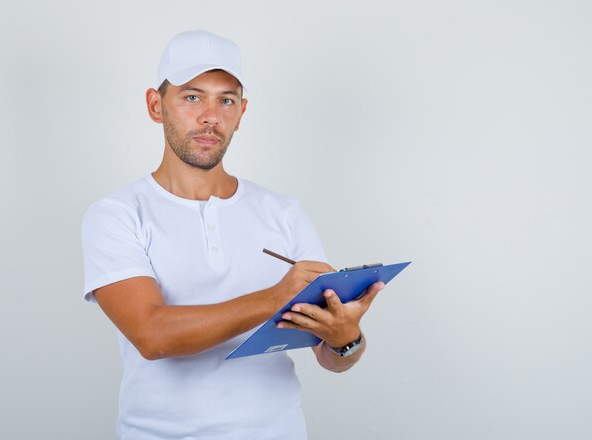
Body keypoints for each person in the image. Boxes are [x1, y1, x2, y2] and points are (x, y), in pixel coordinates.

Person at [81, 29, 385, 440]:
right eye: (192, 96)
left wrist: (345, 338)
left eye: (226, 100)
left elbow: (333, 358)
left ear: (242, 112)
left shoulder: (283, 213)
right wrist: (275, 297)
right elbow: (152, 336)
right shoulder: (117, 215)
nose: (211, 116)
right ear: (156, 105)